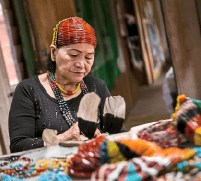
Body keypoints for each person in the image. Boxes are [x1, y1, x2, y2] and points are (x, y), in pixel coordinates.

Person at [9, 17, 126, 153]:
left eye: (88, 57)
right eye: (73, 55)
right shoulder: (28, 90)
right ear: (54, 53)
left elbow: (119, 134)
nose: (81, 64)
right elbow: (18, 146)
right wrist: (65, 136)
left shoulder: (96, 87)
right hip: (50, 169)